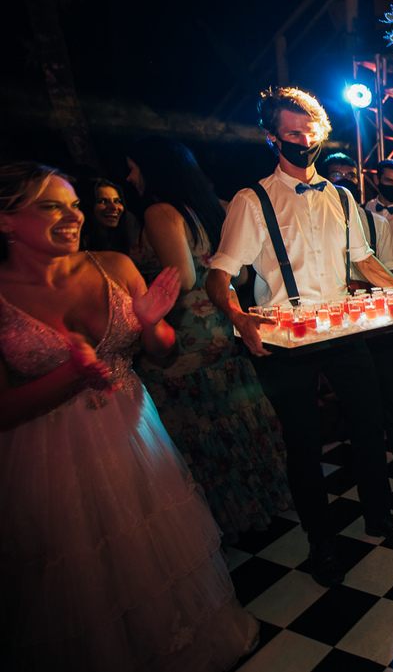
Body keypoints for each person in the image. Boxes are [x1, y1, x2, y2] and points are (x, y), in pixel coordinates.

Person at [0, 162, 258, 670]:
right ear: (6, 219)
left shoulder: (113, 265)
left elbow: (160, 348)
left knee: (149, 554)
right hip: (44, 453)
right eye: (51, 206)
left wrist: (148, 322)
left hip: (130, 432)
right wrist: (71, 373)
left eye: (74, 205)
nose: (72, 217)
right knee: (75, 573)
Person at [205, 86, 393, 588]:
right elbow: (219, 275)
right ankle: (321, 542)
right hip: (287, 340)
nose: (303, 142)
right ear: (271, 137)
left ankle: (379, 515)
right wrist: (239, 318)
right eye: (291, 133)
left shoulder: (342, 198)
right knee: (303, 445)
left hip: (343, 331)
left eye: (310, 132)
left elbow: (364, 261)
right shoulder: (252, 201)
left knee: (369, 425)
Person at [125, 136, 292, 543]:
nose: (129, 177)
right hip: (223, 330)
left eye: (132, 168)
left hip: (185, 341)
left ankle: (221, 520)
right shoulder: (212, 208)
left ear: (153, 168)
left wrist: (132, 285)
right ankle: (260, 504)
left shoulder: (160, 212)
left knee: (195, 430)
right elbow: (243, 274)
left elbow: (180, 278)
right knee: (233, 422)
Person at [324, 153, 393, 480]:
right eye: (336, 176)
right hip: (333, 326)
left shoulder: (376, 224)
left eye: (350, 176)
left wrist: (360, 286)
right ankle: (362, 461)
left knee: (390, 391)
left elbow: (390, 274)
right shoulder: (315, 226)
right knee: (351, 397)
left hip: (375, 325)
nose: (345, 182)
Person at [78, 177, 135, 254]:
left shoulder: (122, 240)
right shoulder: (77, 245)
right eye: (102, 201)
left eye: (116, 201)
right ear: (87, 205)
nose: (114, 207)